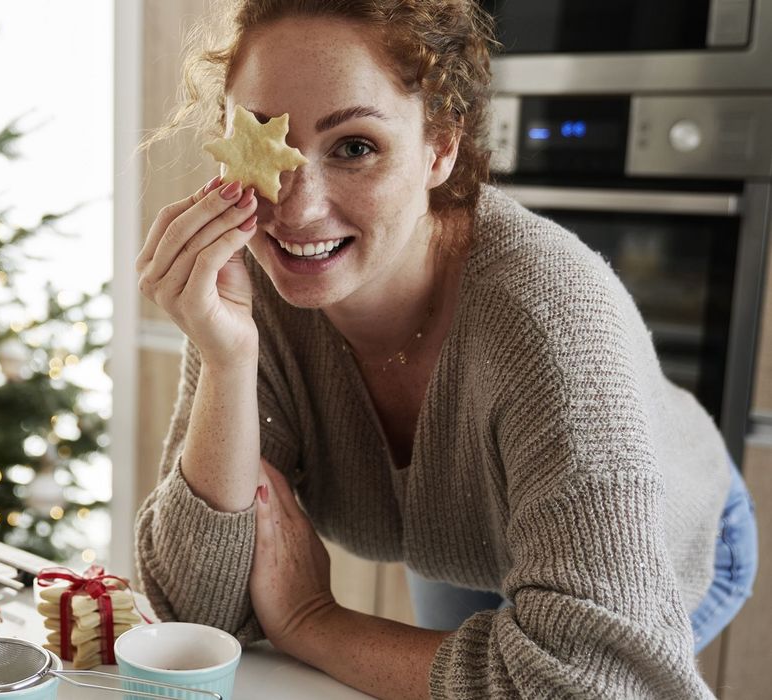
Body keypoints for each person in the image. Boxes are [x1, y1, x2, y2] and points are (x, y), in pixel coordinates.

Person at [132, 1, 758, 698]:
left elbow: (595, 681)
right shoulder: (250, 291)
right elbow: (196, 621)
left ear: (440, 146)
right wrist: (225, 359)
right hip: (462, 546)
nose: (298, 208)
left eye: (355, 147)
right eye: (263, 137)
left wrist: (313, 621)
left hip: (666, 536)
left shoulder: (548, 317)